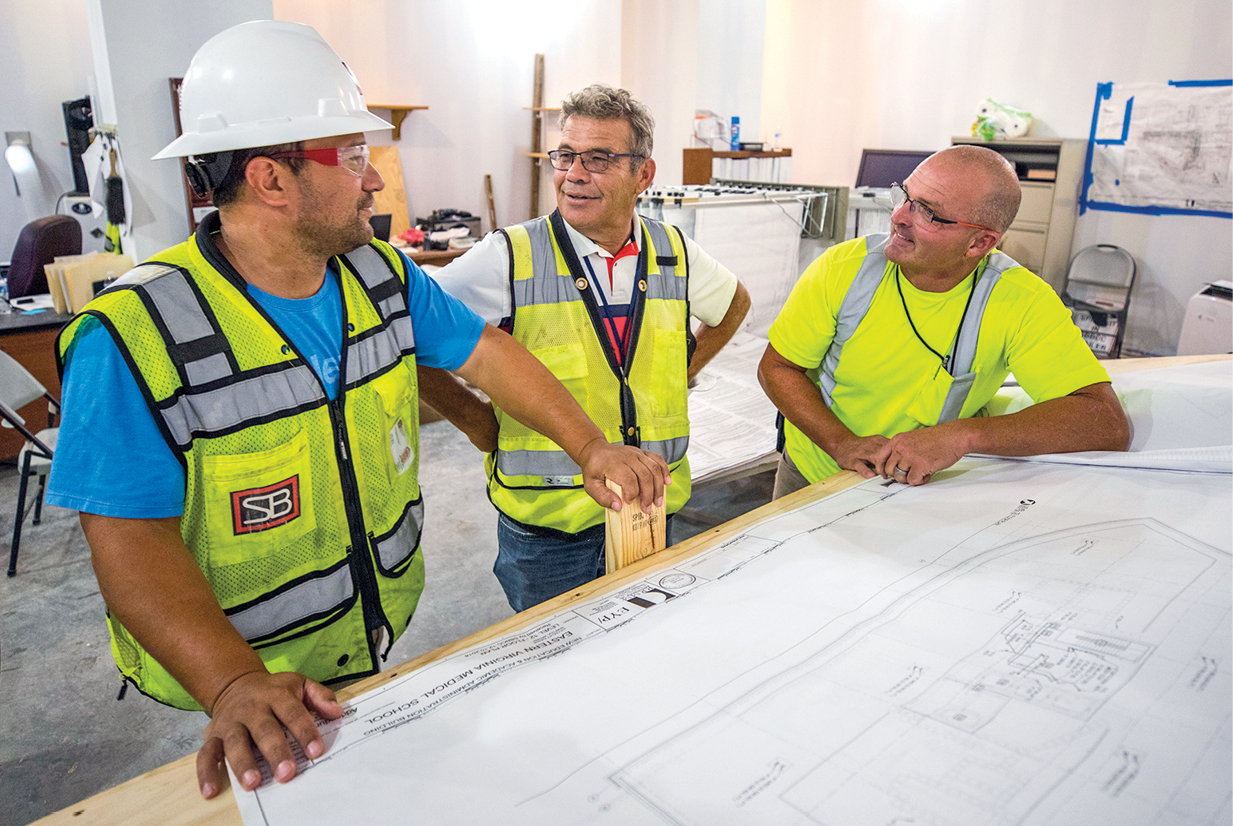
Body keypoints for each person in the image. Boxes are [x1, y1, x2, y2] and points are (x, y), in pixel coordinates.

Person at [44, 22, 669, 800]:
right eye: (350, 157)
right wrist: (231, 681)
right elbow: (125, 535)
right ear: (272, 180)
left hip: (371, 634)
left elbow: (485, 353)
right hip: (233, 688)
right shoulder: (133, 333)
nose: (374, 180)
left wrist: (589, 447)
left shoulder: (375, 273)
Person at [431, 83, 751, 612]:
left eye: (599, 159)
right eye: (566, 156)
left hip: (651, 508)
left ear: (642, 175)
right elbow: (402, 331)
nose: (574, 174)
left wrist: (682, 368)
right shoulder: (506, 257)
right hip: (550, 532)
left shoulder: (672, 252)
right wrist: (472, 418)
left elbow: (733, 304)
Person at [758, 145, 1129, 497]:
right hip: (815, 473)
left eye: (927, 212)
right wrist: (842, 443)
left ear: (979, 244)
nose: (899, 217)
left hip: (919, 491)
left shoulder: (1021, 302)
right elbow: (777, 367)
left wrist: (962, 436)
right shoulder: (843, 271)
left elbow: (1105, 422)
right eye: (904, 196)